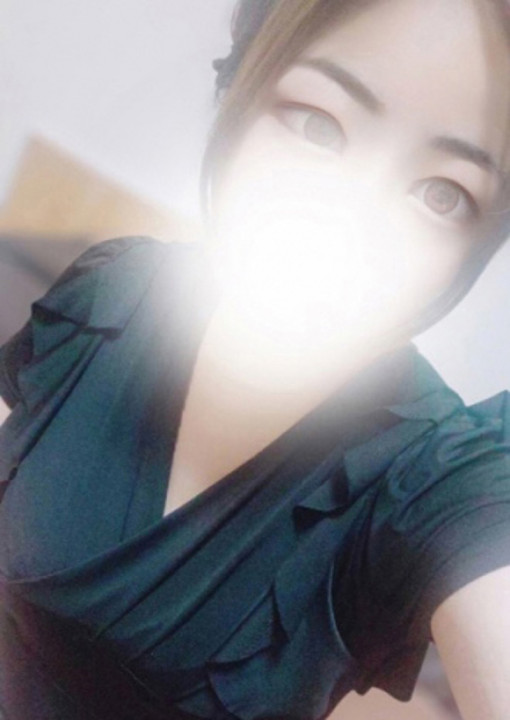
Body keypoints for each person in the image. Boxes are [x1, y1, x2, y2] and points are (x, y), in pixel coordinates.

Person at [1, 0, 510, 718]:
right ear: (243, 92)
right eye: (317, 124)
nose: (351, 223)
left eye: (443, 195)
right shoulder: (112, 288)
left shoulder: (441, 475)